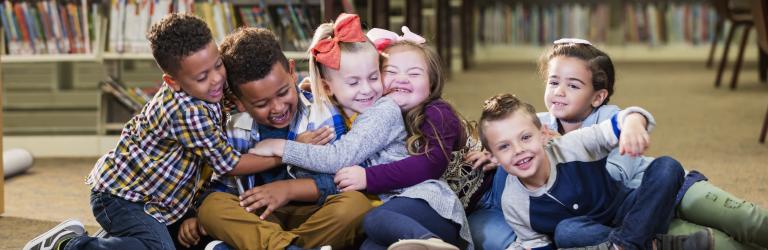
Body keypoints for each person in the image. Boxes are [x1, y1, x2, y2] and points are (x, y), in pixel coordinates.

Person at [23, 13, 272, 250]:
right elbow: (229, 163)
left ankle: (111, 240)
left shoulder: (205, 89)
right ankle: (69, 245)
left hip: (158, 201)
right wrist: (282, 155)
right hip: (122, 198)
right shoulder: (187, 111)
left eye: (218, 65)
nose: (217, 79)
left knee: (182, 242)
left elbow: (230, 95)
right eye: (202, 76)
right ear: (173, 82)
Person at [248, 14, 473, 250]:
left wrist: (281, 148)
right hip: (395, 209)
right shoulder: (340, 108)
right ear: (328, 87)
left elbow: (339, 157)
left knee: (373, 219)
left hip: (425, 201)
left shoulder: (384, 109)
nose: (367, 89)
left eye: (373, 77)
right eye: (354, 83)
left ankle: (429, 244)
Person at [189, 27, 372, 250]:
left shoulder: (322, 114)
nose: (277, 108)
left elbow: (343, 180)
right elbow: (224, 186)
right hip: (260, 217)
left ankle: (267, 246)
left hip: (313, 213)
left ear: (292, 71)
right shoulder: (234, 127)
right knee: (212, 206)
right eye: (261, 104)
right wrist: (201, 217)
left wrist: (287, 190)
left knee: (356, 206)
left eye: (283, 92)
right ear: (239, 101)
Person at [478, 93, 713, 250]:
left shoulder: (573, 145)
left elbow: (617, 124)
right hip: (587, 234)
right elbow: (538, 245)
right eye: (504, 147)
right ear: (493, 157)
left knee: (667, 167)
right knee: (566, 233)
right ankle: (654, 244)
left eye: (526, 137)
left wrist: (632, 124)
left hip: (624, 206)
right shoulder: (513, 203)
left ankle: (624, 245)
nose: (518, 150)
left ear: (543, 134)